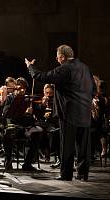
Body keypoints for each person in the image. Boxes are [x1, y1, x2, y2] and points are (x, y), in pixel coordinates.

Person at [25, 44, 96, 181]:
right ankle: (82, 174)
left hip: (69, 113)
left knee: (67, 146)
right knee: (83, 147)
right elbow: (93, 89)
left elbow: (42, 76)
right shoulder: (85, 68)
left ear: (62, 57)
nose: (57, 60)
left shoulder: (65, 68)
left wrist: (30, 67)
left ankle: (66, 174)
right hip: (85, 112)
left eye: (57, 57)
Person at [2, 77, 43, 171]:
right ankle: (8, 162)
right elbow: (6, 114)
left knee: (37, 134)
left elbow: (39, 114)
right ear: (16, 87)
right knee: (8, 133)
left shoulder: (29, 98)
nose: (22, 90)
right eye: (20, 87)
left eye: (24, 88)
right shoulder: (10, 98)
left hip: (27, 127)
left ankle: (27, 163)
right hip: (14, 126)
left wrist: (41, 107)